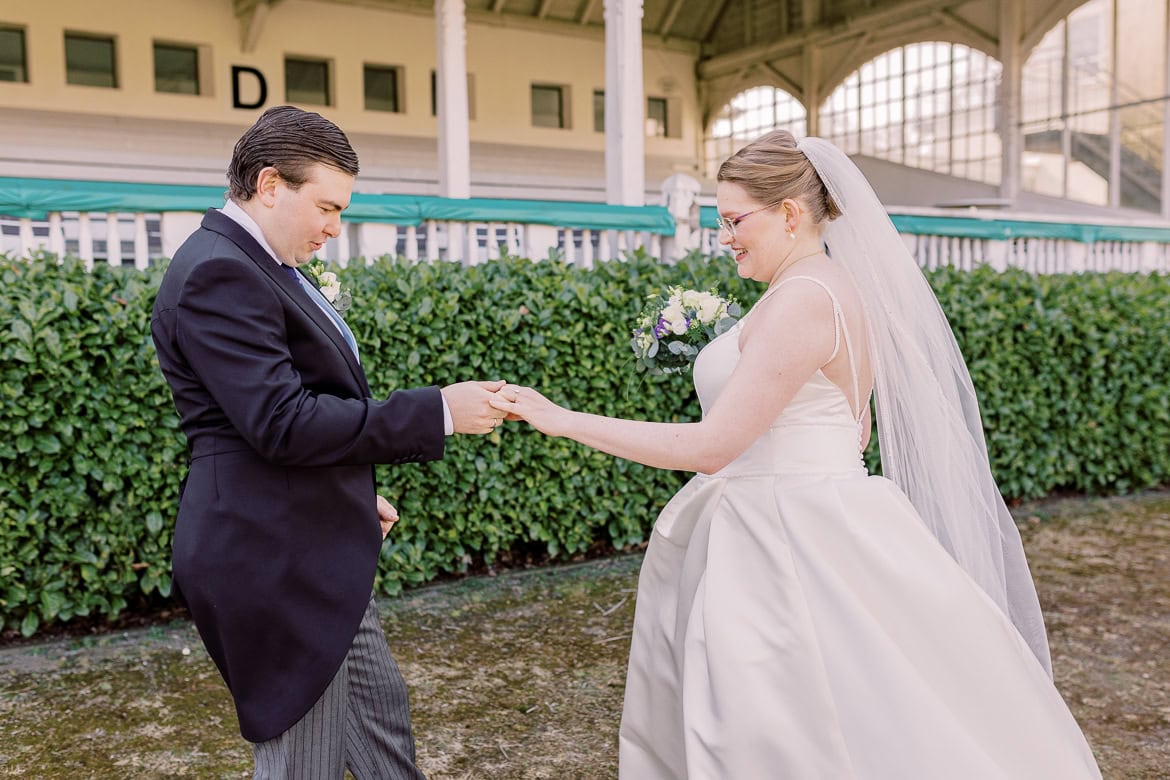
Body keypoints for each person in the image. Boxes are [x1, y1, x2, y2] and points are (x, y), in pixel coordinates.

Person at [491, 130, 1103, 778]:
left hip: (786, 539)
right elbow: (853, 425)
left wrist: (559, 419)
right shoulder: (825, 289)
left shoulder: (804, 301)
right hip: (803, 517)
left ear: (789, 213)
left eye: (733, 220)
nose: (724, 237)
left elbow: (711, 447)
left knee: (783, 723)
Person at [151, 105, 508, 778]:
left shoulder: (258, 264)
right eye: (327, 207)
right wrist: (439, 411)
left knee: (381, 729)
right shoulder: (217, 272)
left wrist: (343, 496)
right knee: (303, 762)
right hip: (271, 559)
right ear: (268, 184)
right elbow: (281, 422)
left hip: (311, 539)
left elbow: (279, 419)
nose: (333, 229)